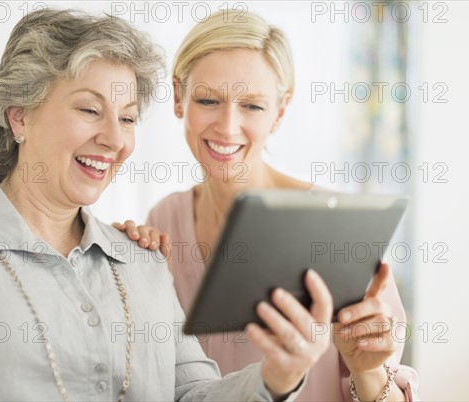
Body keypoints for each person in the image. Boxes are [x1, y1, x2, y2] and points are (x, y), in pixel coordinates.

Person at [0, 8, 341, 401]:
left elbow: (193, 395)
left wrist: (277, 376)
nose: (115, 140)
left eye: (128, 118)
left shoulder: (143, 261)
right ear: (19, 114)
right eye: (89, 110)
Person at [116, 9, 419, 401]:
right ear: (178, 98)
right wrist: (125, 267)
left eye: (253, 106)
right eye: (208, 99)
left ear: (279, 111)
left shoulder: (337, 226)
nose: (227, 126)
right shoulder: (165, 218)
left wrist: (370, 371)